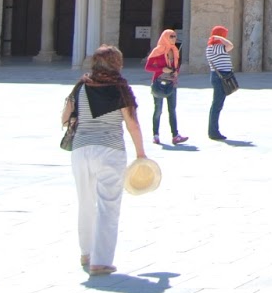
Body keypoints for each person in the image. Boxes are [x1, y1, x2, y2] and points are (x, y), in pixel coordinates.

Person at [63, 45, 147, 276]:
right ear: (117, 63)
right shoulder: (120, 87)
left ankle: (86, 253)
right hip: (109, 150)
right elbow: (132, 123)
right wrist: (141, 153)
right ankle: (100, 261)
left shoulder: (81, 86)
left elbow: (65, 117)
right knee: (108, 206)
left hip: (81, 150)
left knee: (85, 202)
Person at [143, 30, 187, 145]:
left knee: (172, 110)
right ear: (165, 37)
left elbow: (176, 65)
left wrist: (176, 71)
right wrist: (162, 69)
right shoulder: (157, 50)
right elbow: (148, 67)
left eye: (175, 36)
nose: (174, 38)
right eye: (171, 36)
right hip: (159, 82)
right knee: (158, 110)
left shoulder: (174, 50)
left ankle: (175, 135)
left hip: (172, 82)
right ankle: (155, 135)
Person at [205, 25, 235, 140]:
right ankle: (213, 132)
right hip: (219, 78)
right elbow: (230, 46)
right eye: (224, 35)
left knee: (217, 104)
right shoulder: (215, 47)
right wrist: (219, 38)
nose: (225, 37)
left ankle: (213, 130)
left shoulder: (214, 47)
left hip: (221, 77)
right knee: (217, 104)